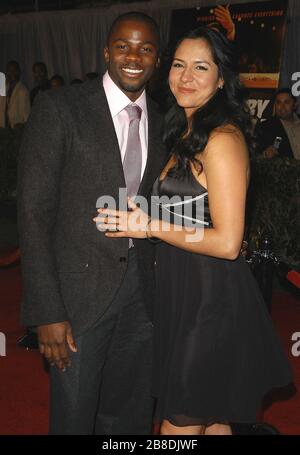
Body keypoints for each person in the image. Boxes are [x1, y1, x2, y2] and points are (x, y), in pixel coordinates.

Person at [95, 27, 292, 435]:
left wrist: (149, 225)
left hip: (210, 303)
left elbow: (227, 242)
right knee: (213, 419)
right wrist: (138, 215)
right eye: (179, 65)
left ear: (221, 79)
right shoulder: (184, 132)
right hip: (182, 295)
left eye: (201, 67)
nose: (186, 76)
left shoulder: (221, 140)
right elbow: (190, 211)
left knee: (178, 425)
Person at [18, 12, 165, 434]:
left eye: (146, 48)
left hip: (145, 297)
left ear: (158, 57)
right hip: (77, 301)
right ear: (106, 51)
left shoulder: (165, 119)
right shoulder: (60, 108)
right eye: (123, 46)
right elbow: (33, 212)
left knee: (131, 415)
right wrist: (46, 311)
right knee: (75, 417)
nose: (133, 56)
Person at [255, 88, 300, 159]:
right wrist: (265, 154)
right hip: (286, 169)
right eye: (278, 102)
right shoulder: (265, 127)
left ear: (295, 105)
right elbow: (254, 155)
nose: (282, 107)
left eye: (286, 102)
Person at [0, 61, 30, 128]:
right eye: (9, 71)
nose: (12, 73)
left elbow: (26, 115)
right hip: (3, 129)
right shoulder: (3, 89)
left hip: (16, 131)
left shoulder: (23, 91)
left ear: (19, 72)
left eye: (15, 70)